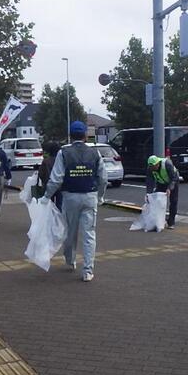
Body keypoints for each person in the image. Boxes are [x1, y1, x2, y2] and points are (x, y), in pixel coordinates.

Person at [42, 121, 108, 282]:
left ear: (70, 136)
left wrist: (46, 197)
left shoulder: (63, 153)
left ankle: (71, 260)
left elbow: (56, 179)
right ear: (85, 135)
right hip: (90, 196)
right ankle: (88, 271)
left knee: (70, 231)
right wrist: (100, 196)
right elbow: (103, 178)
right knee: (89, 234)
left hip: (70, 196)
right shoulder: (95, 153)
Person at [146, 154, 180, 229]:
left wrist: (169, 188)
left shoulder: (167, 164)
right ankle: (158, 221)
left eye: (154, 167)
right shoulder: (150, 168)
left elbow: (173, 178)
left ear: (157, 163)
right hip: (161, 182)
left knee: (173, 201)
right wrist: (148, 193)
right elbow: (149, 181)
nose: (153, 169)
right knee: (156, 200)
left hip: (173, 181)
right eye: (151, 167)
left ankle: (171, 222)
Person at [38, 141, 62, 210]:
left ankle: (50, 219)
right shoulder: (61, 160)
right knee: (59, 205)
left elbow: (41, 174)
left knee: (48, 205)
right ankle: (58, 219)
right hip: (60, 186)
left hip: (48, 185)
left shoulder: (46, 161)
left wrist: (44, 181)